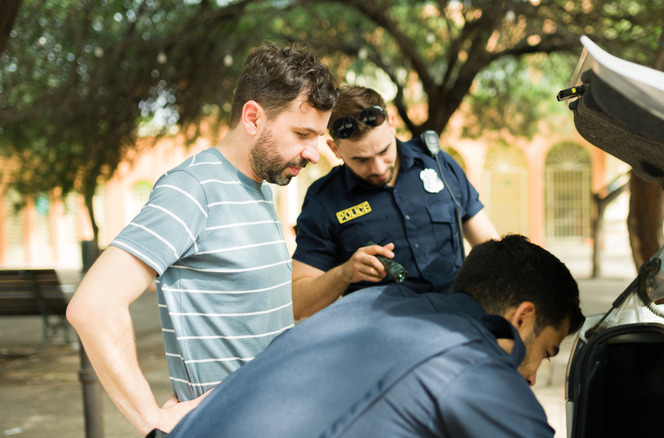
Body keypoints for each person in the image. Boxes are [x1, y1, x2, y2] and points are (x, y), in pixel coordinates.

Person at [66, 41, 339, 435]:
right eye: (302, 134)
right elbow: (93, 306)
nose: (314, 153)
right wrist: (154, 421)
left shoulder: (258, 185)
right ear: (252, 118)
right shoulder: (191, 190)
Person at [163, 234, 585, 437]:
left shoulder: (371, 303)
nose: (531, 377)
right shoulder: (470, 360)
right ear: (523, 317)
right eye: (546, 352)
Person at [291, 85, 500, 318]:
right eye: (361, 160)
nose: (378, 168)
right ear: (334, 149)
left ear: (392, 123)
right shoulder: (324, 200)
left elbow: (491, 249)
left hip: (459, 322)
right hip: (385, 341)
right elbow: (299, 303)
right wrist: (344, 273)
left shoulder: (439, 164)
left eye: (384, 151)